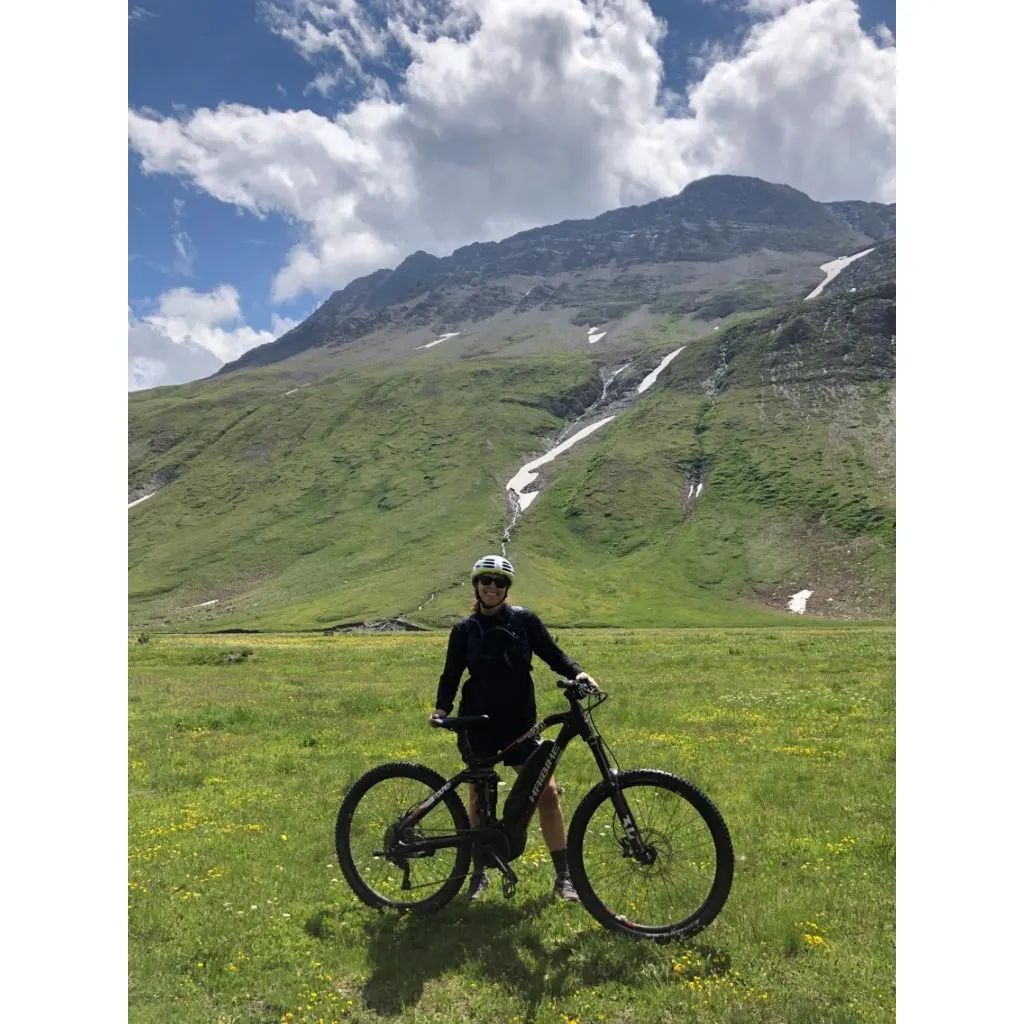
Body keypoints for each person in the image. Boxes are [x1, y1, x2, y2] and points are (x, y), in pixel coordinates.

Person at [429, 554, 598, 901]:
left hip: (520, 722)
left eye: (499, 582)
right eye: (485, 581)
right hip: (478, 722)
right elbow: (451, 674)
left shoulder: (524, 621)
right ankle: (478, 875)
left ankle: (564, 877)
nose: (491, 587)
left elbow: (553, 654)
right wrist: (441, 709)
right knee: (480, 797)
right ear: (476, 585)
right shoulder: (464, 630)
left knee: (547, 793)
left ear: (507, 589)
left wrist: (578, 672)